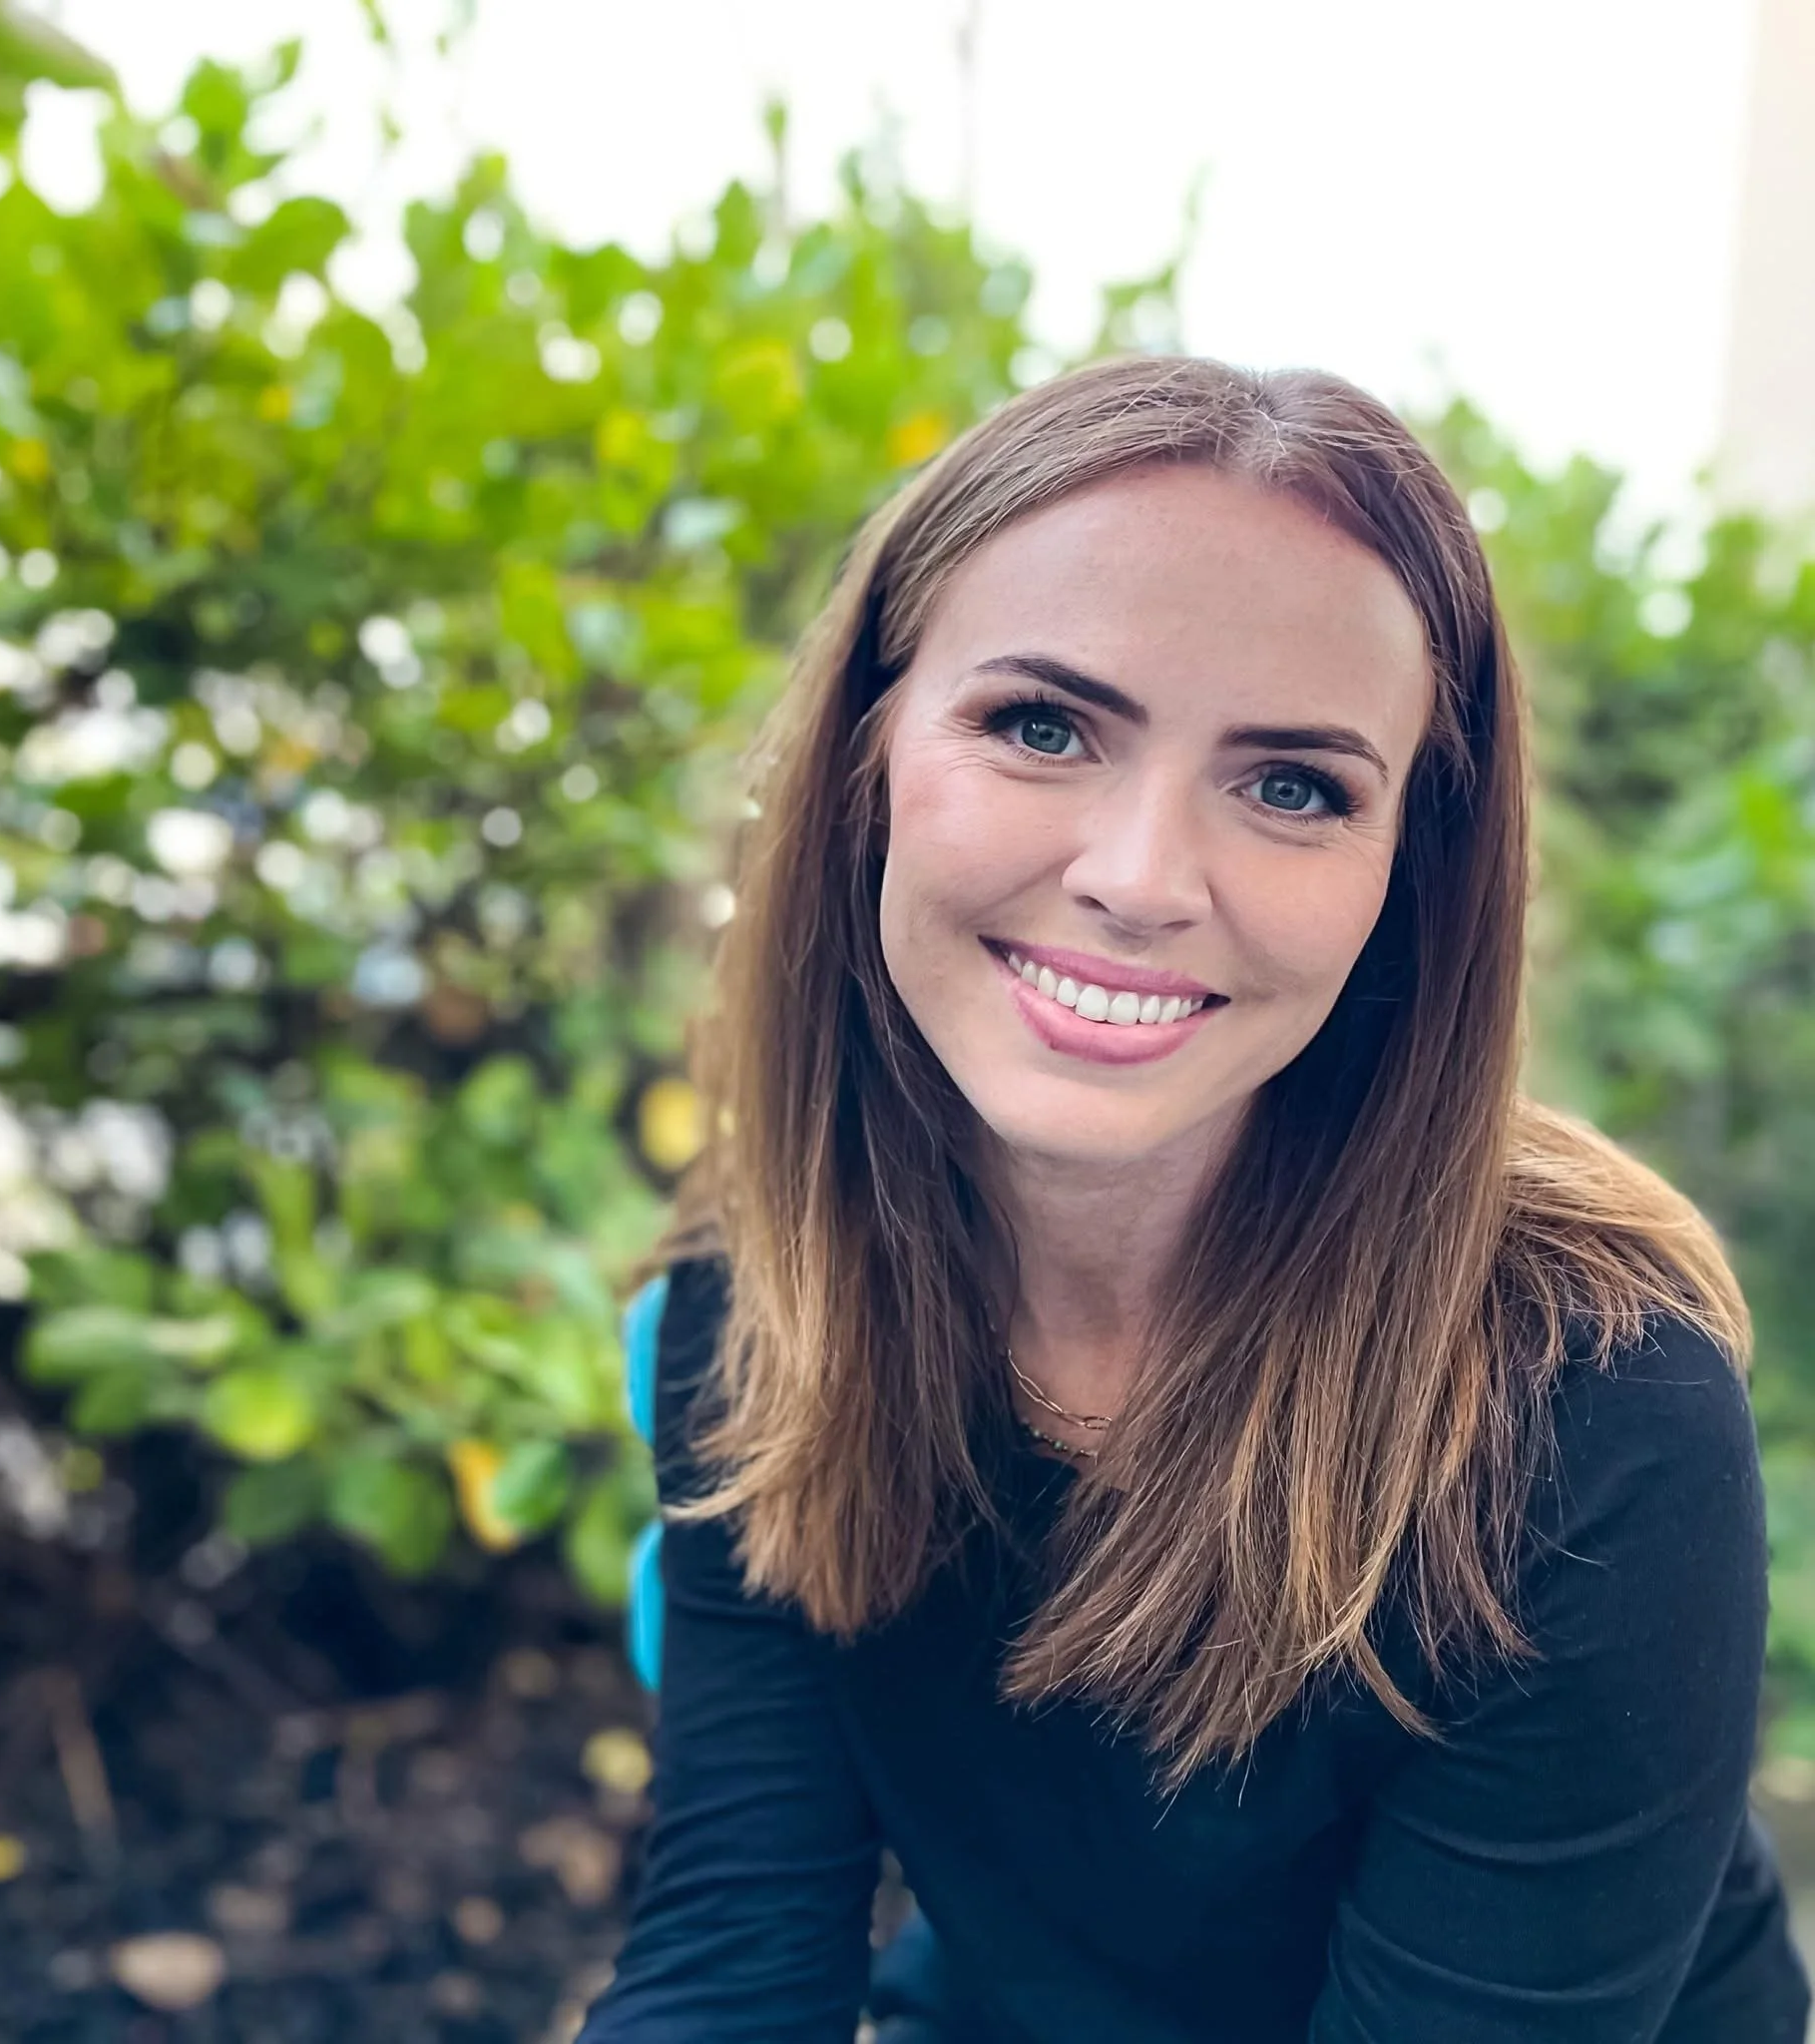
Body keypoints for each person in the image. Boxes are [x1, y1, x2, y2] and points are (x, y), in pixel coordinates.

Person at [575, 354, 1812, 2042]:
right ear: (868, 751)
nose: (1141, 879)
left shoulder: (1591, 1407)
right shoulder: (761, 1310)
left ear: (1404, 879)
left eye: (1293, 785)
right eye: (1041, 725)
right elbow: (730, 1962)